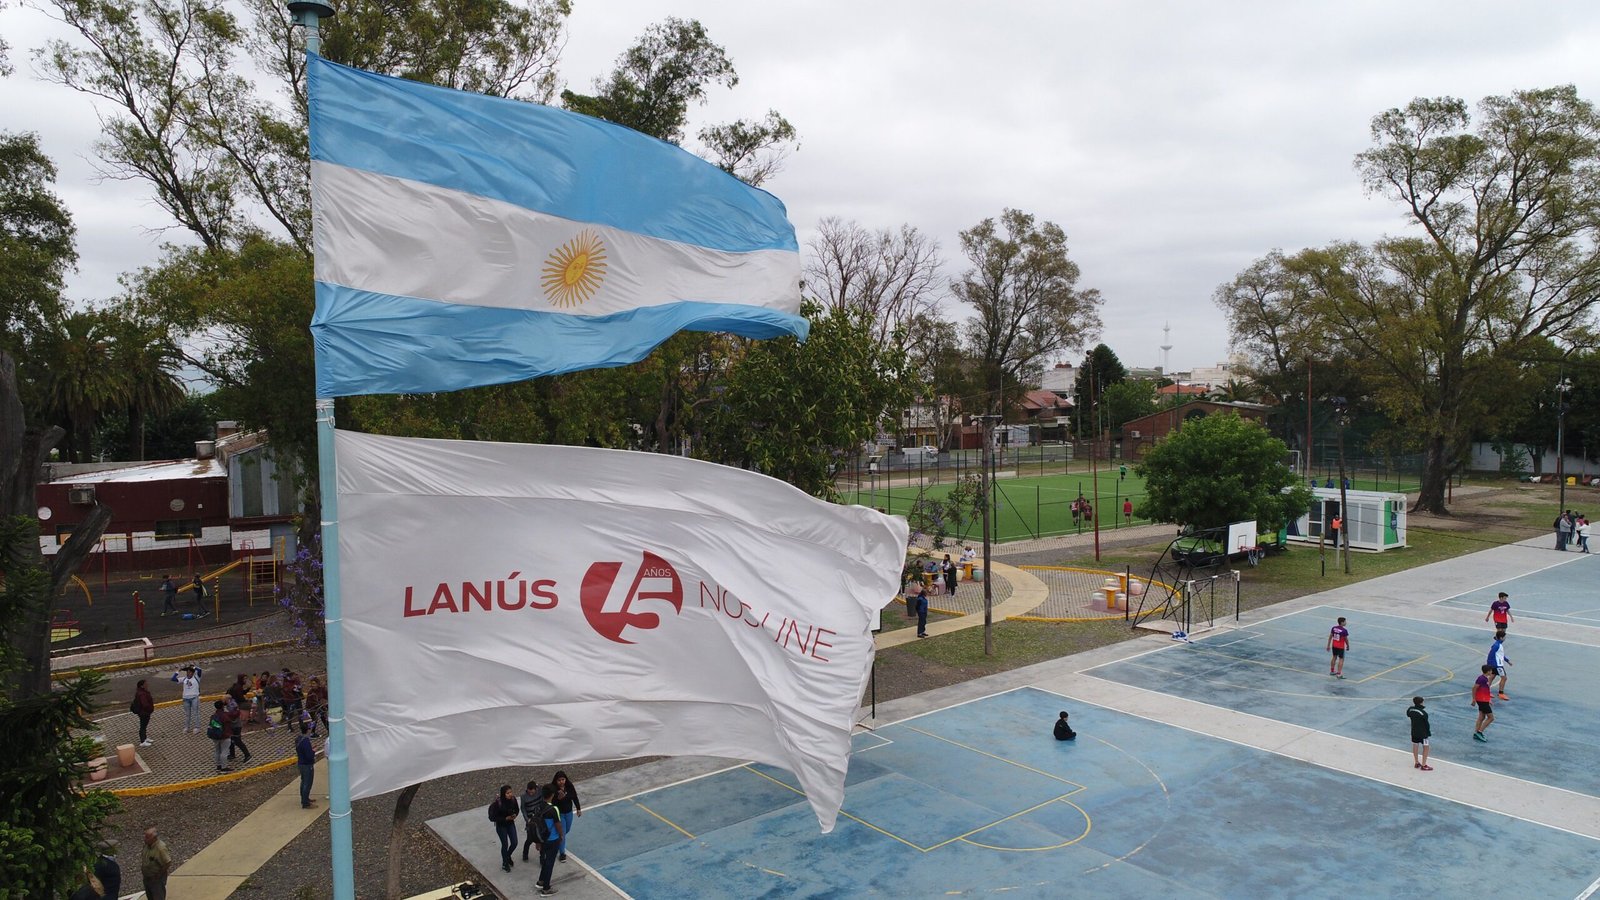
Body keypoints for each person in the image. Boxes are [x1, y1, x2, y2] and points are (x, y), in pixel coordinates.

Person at [532, 783, 564, 895]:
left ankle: (540, 881)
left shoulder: (538, 807)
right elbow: (558, 824)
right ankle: (546, 888)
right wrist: (561, 835)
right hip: (552, 839)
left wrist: (537, 841)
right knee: (550, 863)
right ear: (552, 795)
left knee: (545, 860)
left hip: (542, 838)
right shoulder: (554, 809)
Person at [550, 770, 582, 862]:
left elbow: (574, 796)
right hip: (559, 814)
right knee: (563, 833)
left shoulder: (569, 786)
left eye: (563, 779)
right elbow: (552, 802)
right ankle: (562, 853)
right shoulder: (554, 789)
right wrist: (558, 799)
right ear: (556, 781)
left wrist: (578, 808)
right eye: (559, 780)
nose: (561, 782)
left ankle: (557, 839)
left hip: (568, 812)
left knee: (567, 829)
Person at [488, 784, 520, 873]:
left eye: (510, 792)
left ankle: (507, 856)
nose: (510, 794)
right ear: (503, 794)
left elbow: (517, 809)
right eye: (507, 793)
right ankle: (505, 863)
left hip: (510, 823)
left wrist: (514, 815)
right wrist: (505, 818)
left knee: (514, 842)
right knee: (505, 844)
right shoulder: (498, 804)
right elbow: (492, 817)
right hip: (501, 826)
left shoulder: (513, 800)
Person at [141, 826, 172, 900]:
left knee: (158, 896)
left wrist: (158, 875)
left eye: (147, 838)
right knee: (150, 896)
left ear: (154, 838)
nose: (145, 839)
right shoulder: (147, 845)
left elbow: (168, 862)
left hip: (156, 879)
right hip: (147, 877)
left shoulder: (160, 848)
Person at [171, 664, 203, 734]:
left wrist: (193, 667)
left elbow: (200, 670)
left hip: (194, 698)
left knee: (196, 713)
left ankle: (197, 727)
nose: (188, 673)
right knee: (187, 714)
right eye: (187, 672)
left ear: (193, 673)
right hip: (186, 699)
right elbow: (173, 679)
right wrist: (177, 671)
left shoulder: (196, 677)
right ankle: (187, 727)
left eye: (190, 672)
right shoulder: (184, 679)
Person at [1407, 696, 1432, 770]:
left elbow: (1408, 714)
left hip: (1414, 731)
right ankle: (1424, 765)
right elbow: (1426, 724)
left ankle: (1416, 762)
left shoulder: (1410, 709)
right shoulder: (1423, 713)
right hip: (1423, 733)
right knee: (1426, 747)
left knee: (1415, 745)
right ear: (1421, 703)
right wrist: (1428, 733)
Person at [224, 697, 251, 764]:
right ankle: (232, 754)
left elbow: (231, 716)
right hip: (234, 726)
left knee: (237, 741)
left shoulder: (231, 707)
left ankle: (247, 755)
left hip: (236, 726)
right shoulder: (232, 705)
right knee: (231, 740)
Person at [1472, 664, 1495, 741]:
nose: (1492, 671)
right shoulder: (1481, 679)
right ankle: (1479, 732)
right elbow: (1474, 688)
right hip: (1482, 701)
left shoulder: (1485, 679)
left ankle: (1476, 733)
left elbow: (1485, 691)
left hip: (1484, 700)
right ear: (1488, 671)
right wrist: (1474, 699)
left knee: (1481, 717)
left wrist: (1488, 699)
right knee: (1491, 718)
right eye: (1491, 670)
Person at [1487, 630, 1512, 701]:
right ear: (1501, 638)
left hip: (1496, 664)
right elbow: (1490, 655)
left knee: (1492, 677)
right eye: (1504, 637)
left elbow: (1500, 655)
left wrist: (1507, 661)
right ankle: (1501, 693)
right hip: (1497, 665)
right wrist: (1489, 664)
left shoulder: (1498, 645)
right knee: (1504, 678)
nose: (1505, 638)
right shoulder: (1496, 645)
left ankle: (1486, 691)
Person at [207, 700, 231, 771]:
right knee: (224, 752)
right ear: (223, 706)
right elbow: (229, 722)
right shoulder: (224, 715)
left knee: (217, 751)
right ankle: (224, 767)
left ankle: (218, 765)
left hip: (215, 736)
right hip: (224, 736)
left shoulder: (213, 716)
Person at [296, 730, 317, 807]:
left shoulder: (298, 739)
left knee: (303, 781)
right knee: (307, 783)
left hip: (301, 763)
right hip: (307, 765)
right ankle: (305, 802)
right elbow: (309, 756)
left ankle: (305, 798)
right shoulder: (306, 741)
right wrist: (313, 751)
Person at [132, 678, 155, 746]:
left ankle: (145, 738)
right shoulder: (142, 694)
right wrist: (150, 709)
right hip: (144, 713)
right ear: (142, 686)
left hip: (144, 712)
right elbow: (145, 704)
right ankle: (142, 741)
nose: (147, 684)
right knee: (143, 726)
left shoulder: (142, 692)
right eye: (145, 684)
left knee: (144, 726)